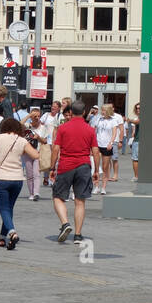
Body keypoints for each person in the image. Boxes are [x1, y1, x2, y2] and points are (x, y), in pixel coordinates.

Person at [0, 116, 39, 250]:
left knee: (3, 208)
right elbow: (36, 155)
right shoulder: (21, 140)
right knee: (9, 208)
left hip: (1, 177)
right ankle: (2, 237)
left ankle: (12, 233)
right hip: (17, 179)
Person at [52, 100, 100, 244]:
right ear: (84, 112)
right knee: (80, 201)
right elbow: (96, 151)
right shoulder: (90, 129)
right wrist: (97, 170)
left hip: (66, 165)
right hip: (84, 166)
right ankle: (78, 235)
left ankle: (65, 223)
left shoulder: (63, 128)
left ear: (70, 112)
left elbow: (55, 149)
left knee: (58, 196)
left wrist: (52, 167)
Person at [92, 103, 122, 195]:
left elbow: (114, 133)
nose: (102, 112)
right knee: (96, 166)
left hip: (107, 145)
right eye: (102, 110)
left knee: (105, 167)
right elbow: (94, 130)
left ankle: (103, 187)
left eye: (104, 110)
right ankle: (96, 186)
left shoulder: (113, 120)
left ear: (108, 111)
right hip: (97, 144)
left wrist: (111, 142)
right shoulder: (99, 119)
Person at [23, 108, 44, 201]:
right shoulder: (27, 126)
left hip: (37, 152)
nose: (37, 118)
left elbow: (45, 141)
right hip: (27, 152)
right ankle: (31, 193)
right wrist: (28, 116)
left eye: (38, 116)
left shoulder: (43, 127)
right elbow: (19, 124)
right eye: (35, 116)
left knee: (36, 173)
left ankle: (36, 193)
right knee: (29, 173)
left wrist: (38, 138)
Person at [129, 102, 140, 183]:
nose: (138, 110)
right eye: (137, 108)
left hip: (139, 141)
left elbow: (137, 122)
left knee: (135, 159)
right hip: (136, 140)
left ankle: (137, 176)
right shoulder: (137, 117)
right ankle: (136, 176)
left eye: (139, 108)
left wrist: (130, 120)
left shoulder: (139, 118)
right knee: (135, 159)